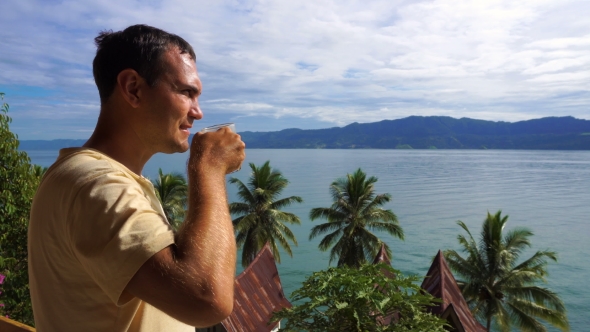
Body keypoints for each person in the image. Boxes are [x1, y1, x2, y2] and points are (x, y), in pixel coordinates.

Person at [27, 24, 245, 331]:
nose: (198, 113)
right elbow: (207, 300)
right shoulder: (97, 185)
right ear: (133, 88)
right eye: (186, 92)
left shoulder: (93, 177)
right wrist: (208, 167)